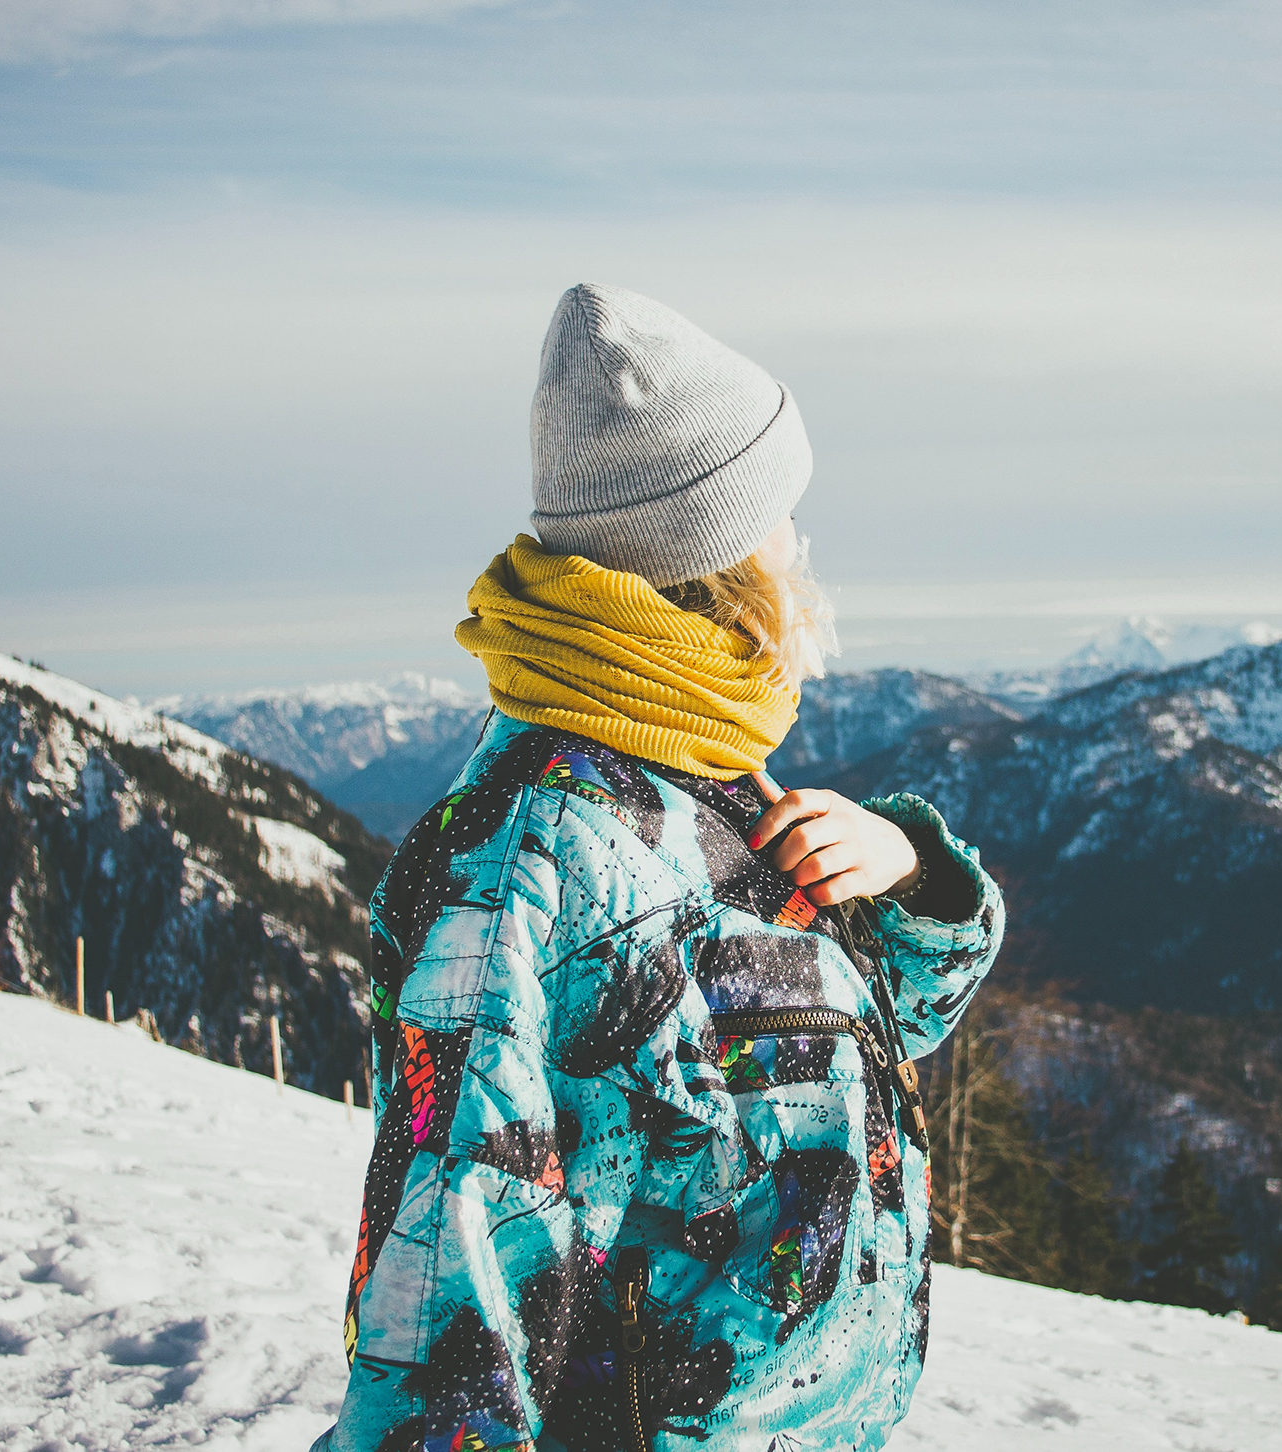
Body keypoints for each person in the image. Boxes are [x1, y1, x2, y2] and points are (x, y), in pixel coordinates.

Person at [316, 283, 1003, 1452]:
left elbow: (836, 1047)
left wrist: (910, 878)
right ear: (722, 555)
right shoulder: (520, 862)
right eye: (783, 519)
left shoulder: (708, 779)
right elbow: (448, 1294)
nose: (801, 552)